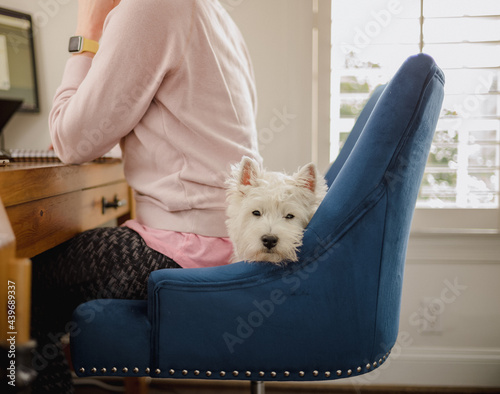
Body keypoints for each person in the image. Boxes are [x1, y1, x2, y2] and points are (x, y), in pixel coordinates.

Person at [30, 0, 261, 392]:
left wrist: (87, 35)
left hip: (184, 252)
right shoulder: (211, 12)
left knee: (19, 282)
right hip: (229, 239)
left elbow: (70, 141)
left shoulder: (148, 7)